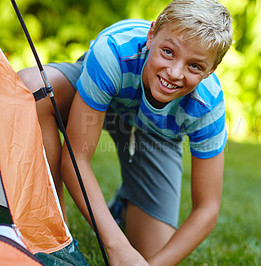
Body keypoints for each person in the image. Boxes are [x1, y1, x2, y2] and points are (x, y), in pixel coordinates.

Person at [18, 0, 232, 265]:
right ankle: (54, 234)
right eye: (167, 52)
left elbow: (207, 209)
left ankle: (121, 209)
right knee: (33, 90)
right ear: (151, 35)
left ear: (211, 70)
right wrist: (117, 246)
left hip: (157, 134)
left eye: (195, 66)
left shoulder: (208, 105)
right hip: (99, 98)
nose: (175, 73)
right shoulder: (114, 50)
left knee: (153, 250)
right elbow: (76, 159)